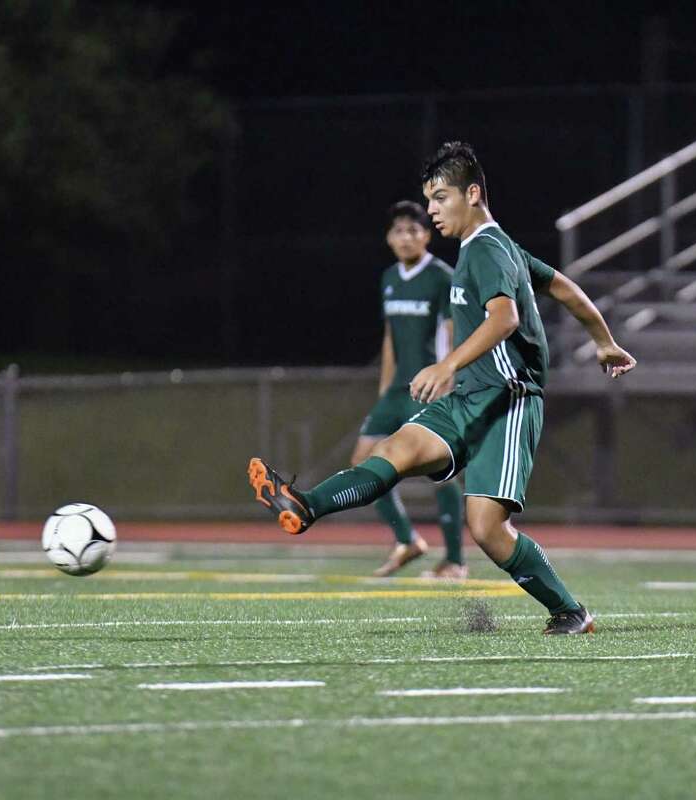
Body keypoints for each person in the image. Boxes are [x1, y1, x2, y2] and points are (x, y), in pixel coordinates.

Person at [249, 141, 637, 634]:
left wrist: (446, 363)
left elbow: (505, 318)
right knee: (397, 448)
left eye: (439, 198)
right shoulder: (496, 247)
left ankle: (570, 612)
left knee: (488, 530)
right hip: (470, 396)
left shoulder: (489, 249)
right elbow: (561, 286)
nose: (431, 210)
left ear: (472, 194)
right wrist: (604, 342)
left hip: (508, 400)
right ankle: (305, 506)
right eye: (429, 200)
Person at [356, 201, 466, 579]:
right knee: (363, 463)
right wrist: (385, 387)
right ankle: (408, 540)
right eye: (399, 231)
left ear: (427, 235)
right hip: (396, 391)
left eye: (414, 230)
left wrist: (448, 381)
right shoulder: (388, 277)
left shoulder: (442, 277)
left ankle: (455, 560)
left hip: (428, 390)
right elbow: (390, 337)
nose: (406, 237)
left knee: (442, 472)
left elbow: (453, 332)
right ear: (389, 237)